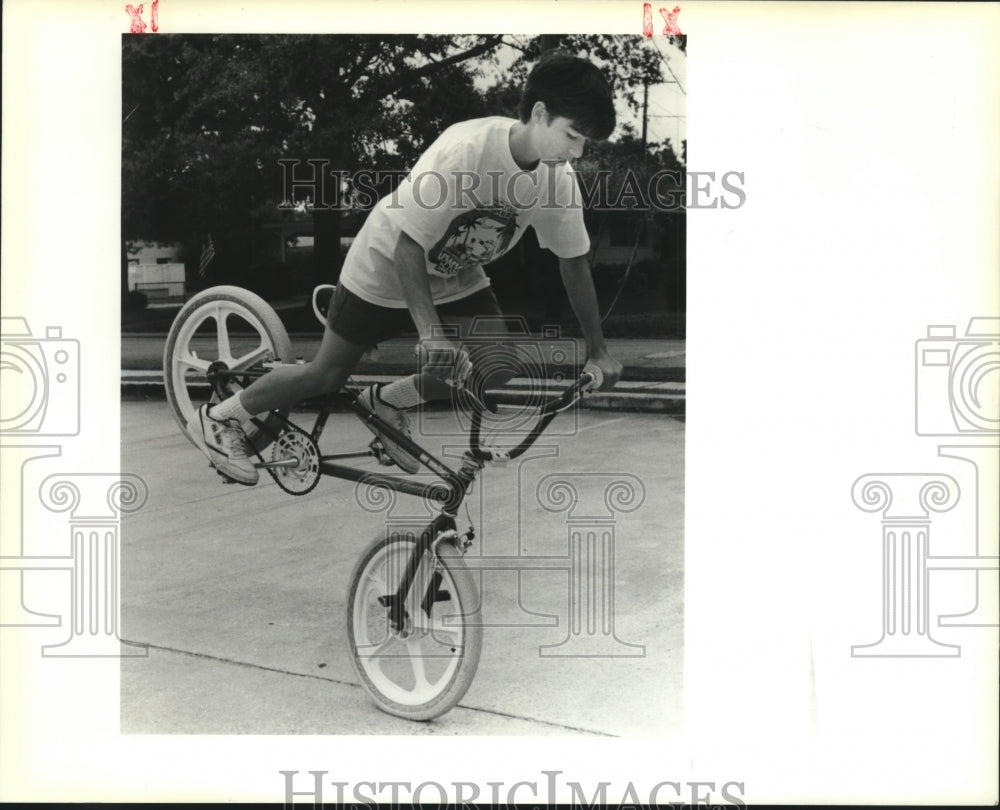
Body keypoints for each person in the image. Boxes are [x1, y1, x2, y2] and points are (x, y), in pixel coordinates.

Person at [187, 51, 624, 485]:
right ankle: (221, 417)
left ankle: (385, 402)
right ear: (540, 113)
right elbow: (408, 247)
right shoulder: (466, 151)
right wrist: (431, 332)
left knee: (497, 366)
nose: (578, 152)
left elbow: (573, 262)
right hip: (385, 263)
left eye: (586, 142)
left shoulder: (556, 179)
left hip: (455, 272)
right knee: (326, 374)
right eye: (572, 135)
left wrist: (598, 349)